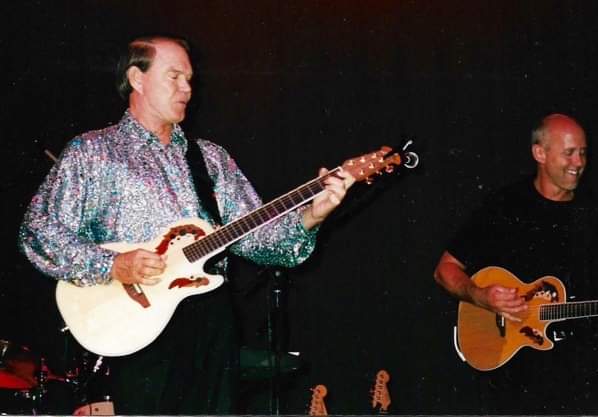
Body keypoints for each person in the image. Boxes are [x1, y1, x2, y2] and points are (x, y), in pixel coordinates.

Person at [18, 35, 354, 414]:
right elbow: (38, 230)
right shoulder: (94, 152)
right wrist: (112, 264)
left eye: (190, 79)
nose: (187, 88)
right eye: (174, 76)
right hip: (133, 323)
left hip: (211, 322)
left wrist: (313, 214)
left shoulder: (210, 159)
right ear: (137, 78)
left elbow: (259, 240)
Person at [434, 114, 598, 414]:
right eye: (569, 152)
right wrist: (480, 296)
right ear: (540, 153)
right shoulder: (504, 206)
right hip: (516, 380)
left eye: (583, 152)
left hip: (585, 376)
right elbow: (444, 270)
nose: (578, 162)